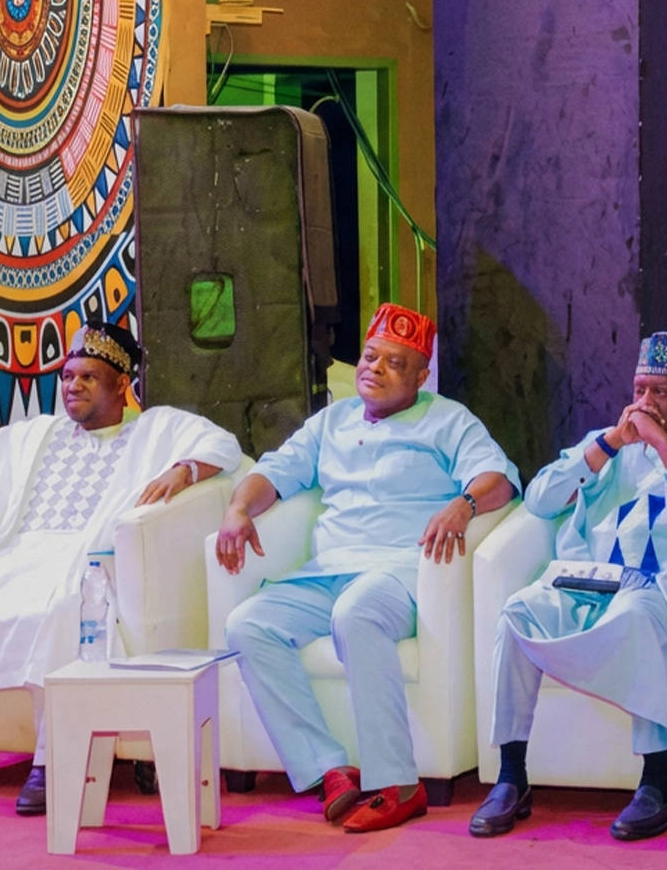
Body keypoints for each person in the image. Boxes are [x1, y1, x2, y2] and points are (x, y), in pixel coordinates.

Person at [0, 323, 242, 814]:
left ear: (121, 385)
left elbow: (223, 446)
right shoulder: (39, 433)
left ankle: (52, 763)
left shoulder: (155, 429)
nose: (72, 386)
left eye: (88, 378)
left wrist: (184, 469)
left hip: (81, 562)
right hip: (14, 556)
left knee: (56, 612)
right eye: (69, 376)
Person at [472, 329, 667, 842]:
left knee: (635, 617)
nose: (644, 404)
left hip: (659, 587)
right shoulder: (610, 443)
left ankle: (658, 783)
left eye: (660, 392)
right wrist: (608, 445)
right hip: (586, 582)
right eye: (640, 390)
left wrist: (666, 448)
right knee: (516, 613)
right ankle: (511, 776)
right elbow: (539, 500)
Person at [215, 304, 518, 833]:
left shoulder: (447, 420)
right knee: (247, 624)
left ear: (422, 378)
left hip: (398, 573)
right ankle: (329, 769)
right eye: (370, 356)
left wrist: (462, 505)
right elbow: (274, 472)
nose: (374, 369)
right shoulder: (331, 421)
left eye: (394, 363)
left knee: (356, 614)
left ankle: (399, 785)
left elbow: (500, 478)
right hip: (326, 570)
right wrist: (239, 509)